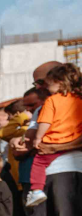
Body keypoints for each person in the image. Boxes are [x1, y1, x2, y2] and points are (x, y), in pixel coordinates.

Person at [26, 63, 82, 207]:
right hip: (61, 164)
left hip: (63, 163)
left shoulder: (52, 101)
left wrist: (41, 140)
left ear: (59, 82)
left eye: (43, 82)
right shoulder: (77, 100)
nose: (39, 87)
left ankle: (36, 190)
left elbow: (44, 123)